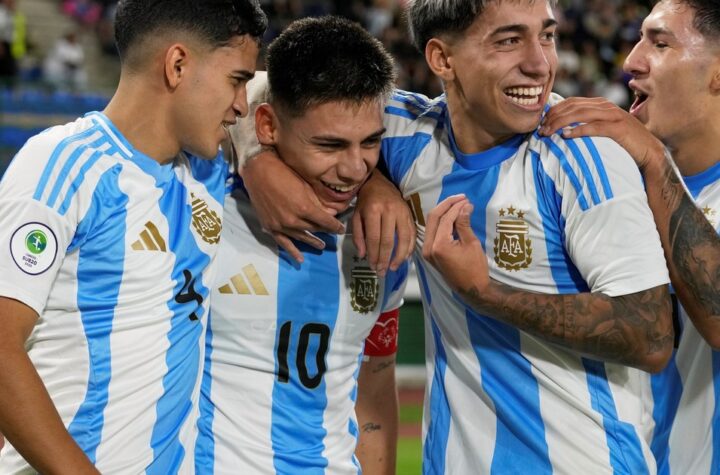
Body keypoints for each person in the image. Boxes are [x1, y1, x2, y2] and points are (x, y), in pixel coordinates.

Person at [240, 0, 675, 473]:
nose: (539, 63)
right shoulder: (407, 135)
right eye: (509, 40)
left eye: (547, 36)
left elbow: (650, 334)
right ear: (442, 59)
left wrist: (485, 293)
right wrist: (259, 159)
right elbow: (270, 86)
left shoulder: (582, 154)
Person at [0, 1, 267, 473]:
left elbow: (314, 101)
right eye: (235, 80)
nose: (242, 105)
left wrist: (375, 188)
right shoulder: (63, 164)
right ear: (177, 65)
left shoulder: (206, 171)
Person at [194, 16, 407, 474]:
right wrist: (252, 154)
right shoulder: (200, 197)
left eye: (370, 142)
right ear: (267, 125)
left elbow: (373, 384)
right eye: (330, 145)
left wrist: (380, 185)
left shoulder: (383, 233)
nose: (354, 168)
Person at [540, 1, 720, 473]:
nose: (632, 61)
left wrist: (654, 160)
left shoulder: (647, 168)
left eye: (660, 44)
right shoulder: (614, 188)